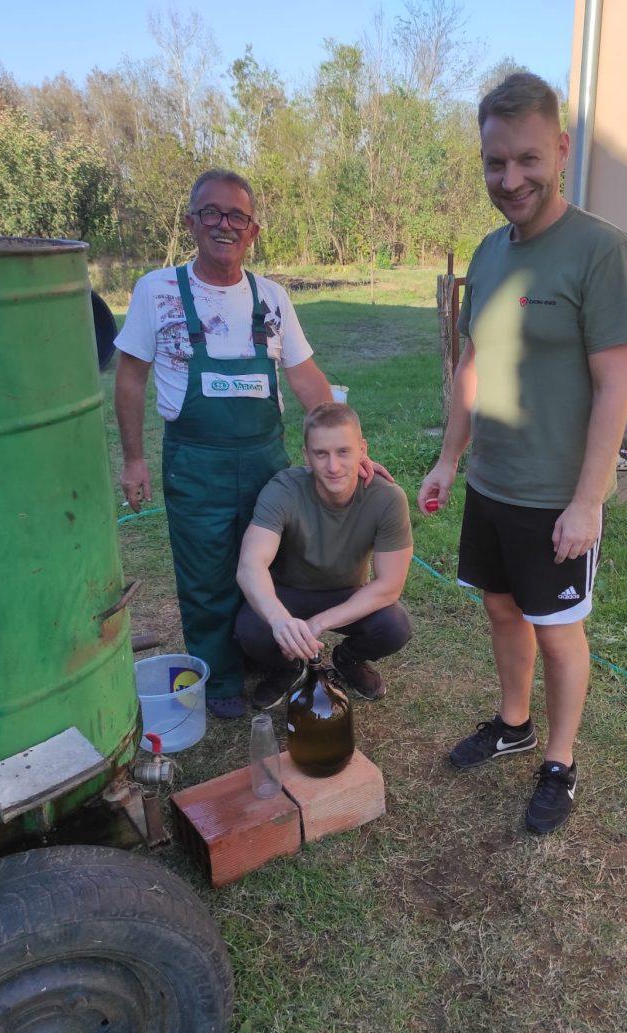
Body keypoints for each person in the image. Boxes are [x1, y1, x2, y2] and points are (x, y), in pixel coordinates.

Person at [418, 73, 627, 835]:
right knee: (498, 607)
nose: (510, 179)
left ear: (560, 148)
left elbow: (615, 389)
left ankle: (559, 760)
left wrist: (588, 500)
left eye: (526, 159)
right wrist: (451, 460)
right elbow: (472, 369)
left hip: (557, 493)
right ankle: (512, 724)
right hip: (492, 482)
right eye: (494, 163)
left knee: (557, 631)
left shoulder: (603, 253)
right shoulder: (487, 255)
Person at [113, 169, 387, 719]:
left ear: (253, 230)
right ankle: (218, 677)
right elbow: (130, 377)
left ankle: (272, 652)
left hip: (266, 458)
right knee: (206, 570)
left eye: (237, 215)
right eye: (210, 212)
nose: (223, 224)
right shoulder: (157, 291)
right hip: (195, 459)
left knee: (274, 562)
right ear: (191, 221)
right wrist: (135, 459)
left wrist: (351, 446)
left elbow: (305, 375)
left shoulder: (272, 297)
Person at [236, 403, 413, 708]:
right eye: (321, 454)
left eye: (343, 452)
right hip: (289, 591)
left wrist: (317, 624)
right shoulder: (284, 489)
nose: (333, 466)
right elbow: (250, 565)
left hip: (347, 593)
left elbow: (389, 585)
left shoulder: (386, 498)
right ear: (306, 455)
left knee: (394, 626)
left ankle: (348, 659)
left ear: (362, 450)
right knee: (251, 630)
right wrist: (281, 621)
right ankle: (290, 667)